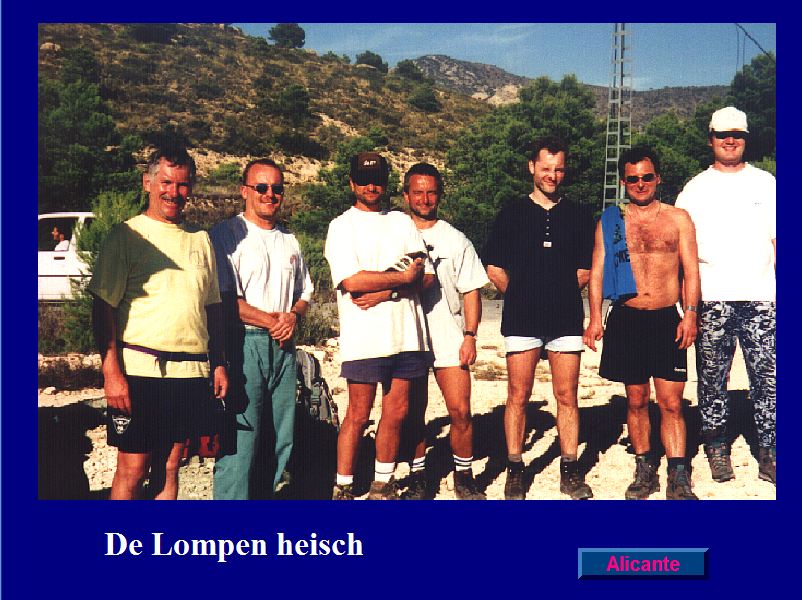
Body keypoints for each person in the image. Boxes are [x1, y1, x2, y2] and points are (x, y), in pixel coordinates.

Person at [89, 145, 228, 500]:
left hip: (190, 372)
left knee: (170, 465)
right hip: (140, 371)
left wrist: (219, 363)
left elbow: (212, 307)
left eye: (182, 184)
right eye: (166, 182)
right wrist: (111, 373)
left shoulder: (201, 239)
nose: (173, 192)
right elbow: (103, 308)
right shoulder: (125, 236)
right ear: (147, 182)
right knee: (133, 469)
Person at [361, 163, 488, 499]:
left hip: (448, 334)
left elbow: (471, 291)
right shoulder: (393, 232)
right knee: (412, 413)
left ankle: (464, 475)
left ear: (440, 195)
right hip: (408, 334)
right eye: (418, 192)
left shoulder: (456, 239)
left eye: (431, 192)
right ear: (406, 195)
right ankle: (418, 476)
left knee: (460, 410)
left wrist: (470, 335)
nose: (425, 199)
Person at [584, 145, 701, 500]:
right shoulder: (612, 221)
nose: (640, 184)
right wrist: (594, 318)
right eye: (632, 179)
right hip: (627, 318)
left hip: (666, 318)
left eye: (646, 177)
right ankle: (644, 468)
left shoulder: (678, 218)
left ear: (658, 178)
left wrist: (691, 314)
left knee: (671, 403)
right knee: (636, 401)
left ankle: (678, 475)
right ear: (623, 182)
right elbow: (597, 271)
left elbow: (691, 271)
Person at [482, 137, 595, 500]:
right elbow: (494, 266)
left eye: (559, 169)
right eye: (546, 168)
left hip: (565, 319)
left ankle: (570, 469)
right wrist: (521, 295)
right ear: (532, 167)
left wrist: (555, 294)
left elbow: (585, 269)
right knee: (518, 394)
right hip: (521, 319)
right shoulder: (511, 212)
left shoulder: (578, 214)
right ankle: (515, 468)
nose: (552, 175)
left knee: (567, 395)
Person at [675, 106, 776, 485]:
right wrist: (687, 306)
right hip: (711, 298)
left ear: (746, 139)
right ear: (711, 139)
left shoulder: (767, 184)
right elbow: (682, 253)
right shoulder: (694, 189)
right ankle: (717, 447)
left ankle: (770, 451)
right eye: (722, 134)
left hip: (763, 298)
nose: (730, 140)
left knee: (768, 380)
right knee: (712, 379)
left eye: (737, 134)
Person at [325, 152, 433, 500]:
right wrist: (401, 276)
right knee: (358, 414)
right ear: (352, 183)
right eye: (364, 179)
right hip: (365, 337)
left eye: (378, 180)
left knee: (397, 411)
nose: (371, 186)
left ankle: (382, 484)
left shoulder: (402, 222)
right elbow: (352, 281)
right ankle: (343, 486)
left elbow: (424, 275)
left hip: (406, 333)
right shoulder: (341, 226)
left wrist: (386, 289)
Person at [209, 159, 313, 499]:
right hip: (244, 344)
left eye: (277, 188)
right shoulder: (226, 236)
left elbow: (305, 292)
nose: (270, 194)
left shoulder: (290, 240)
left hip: (283, 347)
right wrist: (273, 322)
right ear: (245, 191)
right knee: (241, 439)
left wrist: (293, 317)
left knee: (280, 437)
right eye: (262, 187)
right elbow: (226, 300)